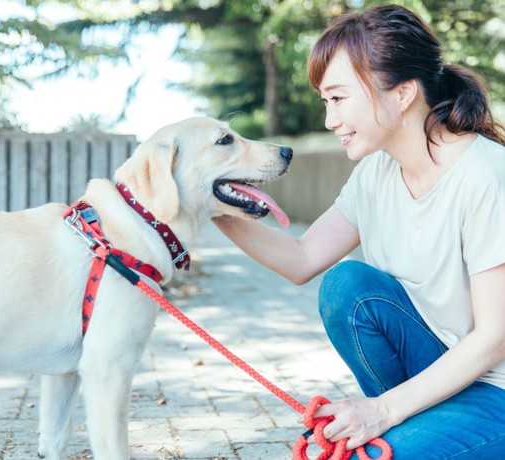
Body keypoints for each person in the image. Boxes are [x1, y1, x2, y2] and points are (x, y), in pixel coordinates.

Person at [213, 3, 505, 458]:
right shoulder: (376, 173)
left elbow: (495, 337)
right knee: (347, 286)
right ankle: (415, 426)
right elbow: (302, 259)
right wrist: (214, 205)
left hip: (498, 392)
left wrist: (381, 411)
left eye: (339, 98)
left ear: (403, 93)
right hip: (443, 370)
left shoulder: (485, 176)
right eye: (325, 101)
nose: (330, 120)